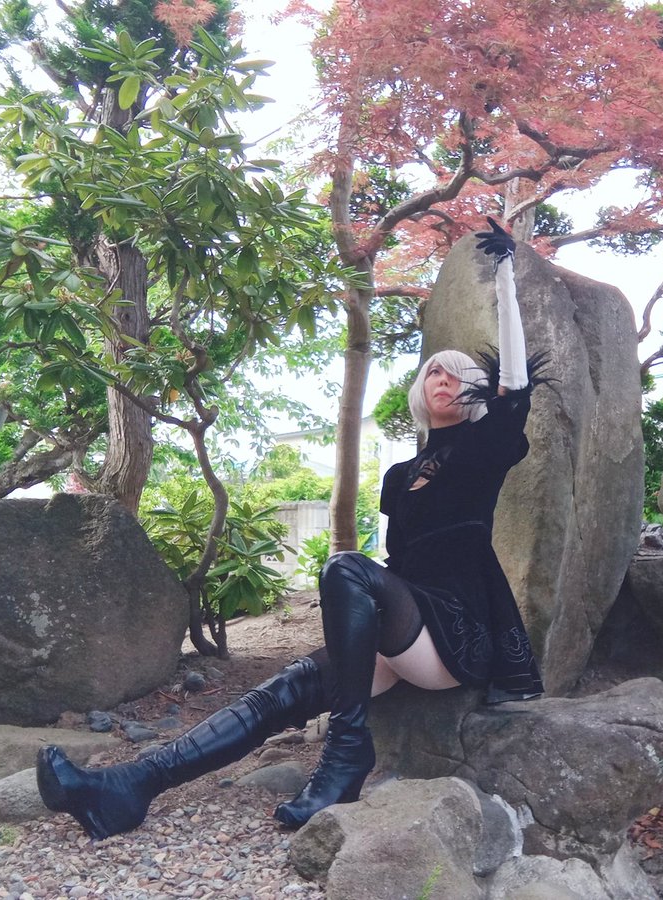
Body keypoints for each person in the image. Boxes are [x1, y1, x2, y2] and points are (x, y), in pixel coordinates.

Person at [36, 218, 547, 840]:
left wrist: (506, 278)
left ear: (476, 393)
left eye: (458, 375)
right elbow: (402, 565)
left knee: (346, 567)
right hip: (402, 630)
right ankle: (129, 787)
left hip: (455, 635)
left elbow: (517, 387)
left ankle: (346, 753)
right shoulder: (401, 474)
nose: (445, 381)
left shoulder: (484, 449)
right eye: (435, 372)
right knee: (279, 692)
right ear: (421, 387)